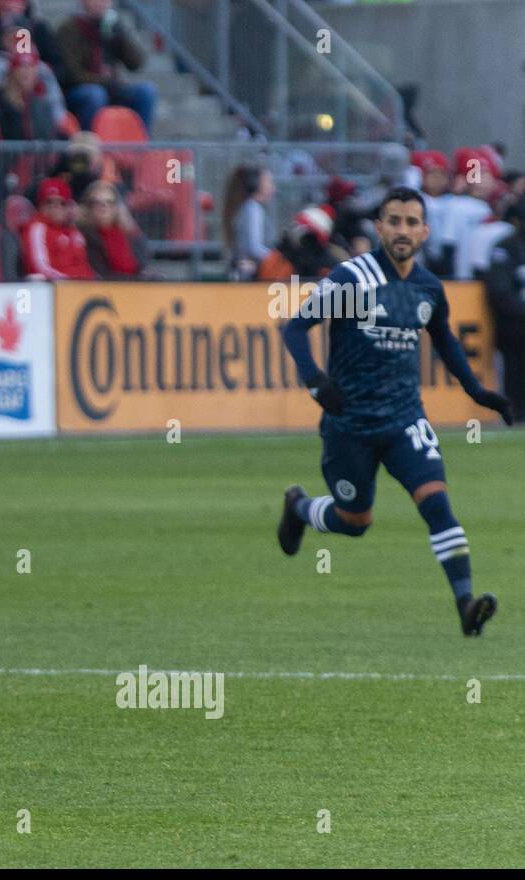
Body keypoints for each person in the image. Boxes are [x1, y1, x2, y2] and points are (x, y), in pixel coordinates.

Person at [277, 186, 512, 637]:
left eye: (411, 222)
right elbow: (296, 327)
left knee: (437, 503)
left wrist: (477, 391)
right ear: (380, 227)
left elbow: (443, 339)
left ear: (424, 231)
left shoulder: (427, 287)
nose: (403, 230)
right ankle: (300, 507)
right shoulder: (351, 278)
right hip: (350, 424)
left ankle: (465, 604)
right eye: (394, 221)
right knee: (354, 521)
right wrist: (315, 381)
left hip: (405, 419)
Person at [57, 0, 154, 132]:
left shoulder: (112, 26)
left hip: (111, 88)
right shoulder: (69, 28)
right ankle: (89, 147)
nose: (100, 3)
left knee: (146, 91)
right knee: (95, 94)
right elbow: (71, 74)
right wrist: (104, 81)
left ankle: (139, 148)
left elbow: (136, 64)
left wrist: (122, 35)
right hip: (78, 90)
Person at [482, 199, 525, 422]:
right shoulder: (505, 247)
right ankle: (515, 417)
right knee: (514, 378)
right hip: (514, 330)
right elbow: (499, 292)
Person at [22, 177, 94, 280]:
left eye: (61, 203)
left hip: (82, 287)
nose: (55, 207)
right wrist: (70, 281)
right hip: (57, 289)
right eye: (49, 202)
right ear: (40, 205)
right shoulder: (37, 228)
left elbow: (85, 266)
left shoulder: (74, 231)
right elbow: (39, 267)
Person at [78, 180, 150, 280]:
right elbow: (100, 272)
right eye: (96, 202)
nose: (103, 207)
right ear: (87, 207)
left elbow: (142, 264)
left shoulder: (130, 233)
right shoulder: (82, 236)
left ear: (116, 207)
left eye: (109, 202)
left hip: (134, 286)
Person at [223, 164, 274, 281]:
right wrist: (276, 259)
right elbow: (254, 247)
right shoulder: (253, 208)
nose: (272, 188)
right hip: (248, 274)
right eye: (268, 182)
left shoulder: (250, 207)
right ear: (255, 184)